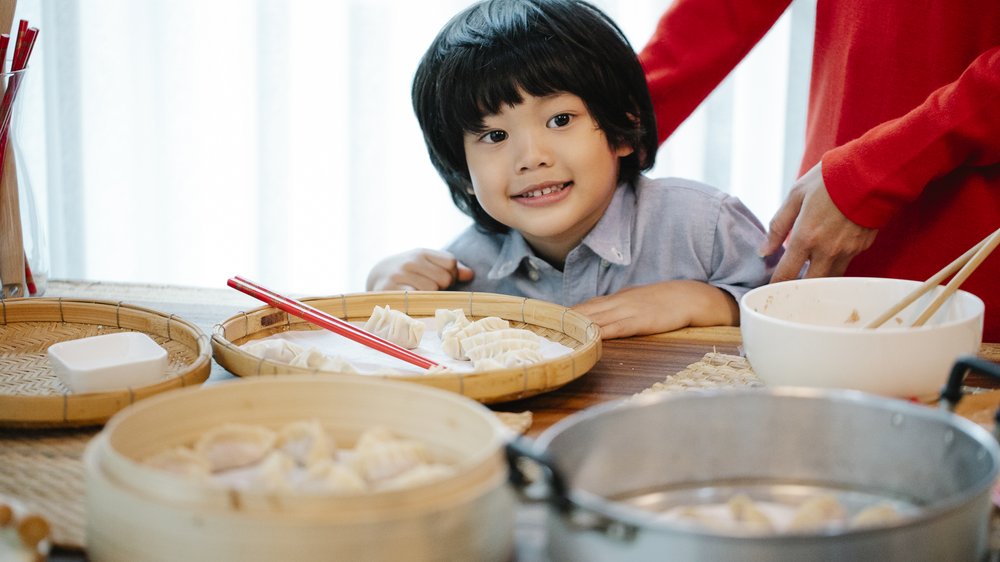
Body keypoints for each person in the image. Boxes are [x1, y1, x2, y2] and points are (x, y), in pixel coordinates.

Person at [366, 0, 777, 338]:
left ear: (623, 130)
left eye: (560, 120)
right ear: (461, 172)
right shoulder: (465, 271)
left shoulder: (704, 227)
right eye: (494, 136)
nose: (531, 158)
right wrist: (384, 299)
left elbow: (808, 311)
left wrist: (706, 300)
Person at [639, 1, 1000, 341]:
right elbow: (723, 11)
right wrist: (614, 117)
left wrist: (874, 172)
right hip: (828, 215)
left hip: (967, 257)